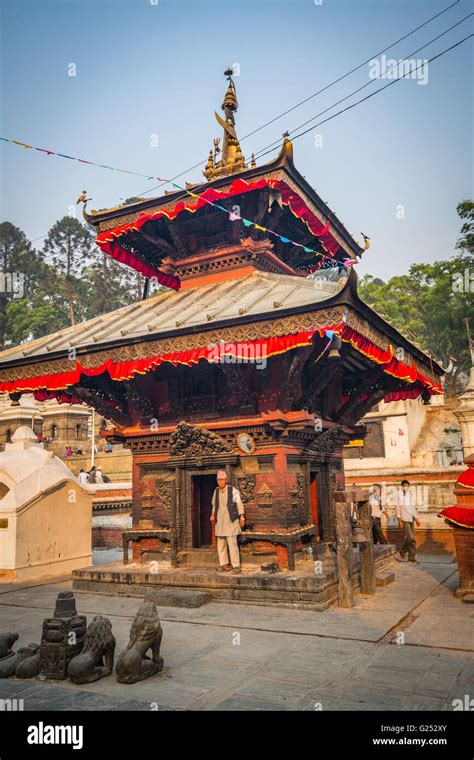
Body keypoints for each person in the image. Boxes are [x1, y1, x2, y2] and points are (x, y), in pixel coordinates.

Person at [210, 470, 245, 574]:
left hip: (231, 520)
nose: (220, 481)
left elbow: (239, 503)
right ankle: (224, 564)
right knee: (221, 544)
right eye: (219, 480)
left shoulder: (232, 490)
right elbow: (214, 505)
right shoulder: (216, 491)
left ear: (225, 480)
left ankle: (236, 566)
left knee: (232, 543)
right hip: (220, 520)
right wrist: (212, 514)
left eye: (222, 479)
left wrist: (242, 517)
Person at [395, 479, 420, 563]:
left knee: (412, 538)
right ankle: (402, 550)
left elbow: (412, 507)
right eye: (404, 486)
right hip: (404, 518)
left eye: (407, 486)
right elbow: (397, 508)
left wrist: (416, 518)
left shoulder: (409, 494)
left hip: (411, 518)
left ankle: (411, 557)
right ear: (401, 487)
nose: (406, 487)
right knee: (411, 538)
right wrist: (399, 520)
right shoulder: (398, 495)